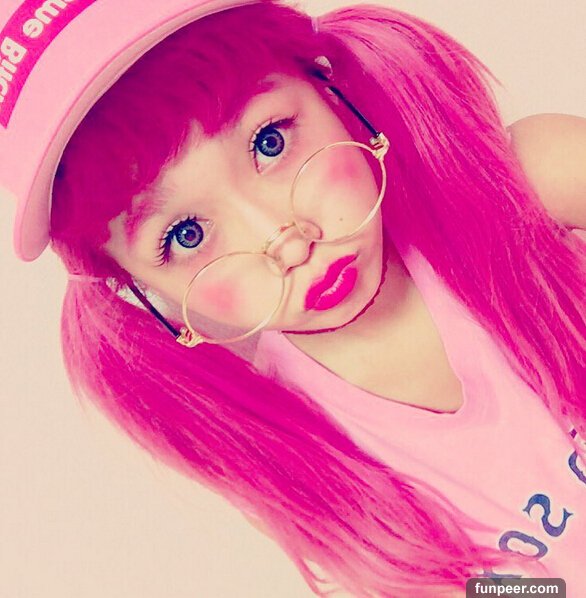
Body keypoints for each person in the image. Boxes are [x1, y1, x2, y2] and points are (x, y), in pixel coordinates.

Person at [1, 0, 584, 595]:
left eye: (270, 141)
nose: (283, 241)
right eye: (187, 234)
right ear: (139, 290)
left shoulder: (531, 194)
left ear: (327, 85)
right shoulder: (300, 449)